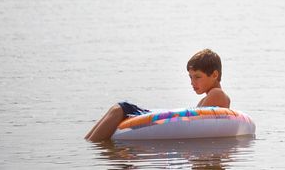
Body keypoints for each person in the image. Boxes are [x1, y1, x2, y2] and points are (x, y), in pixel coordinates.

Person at [84, 48, 231, 142]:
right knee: (118, 110)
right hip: (152, 116)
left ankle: (88, 147)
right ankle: (89, 145)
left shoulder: (217, 94)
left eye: (197, 77)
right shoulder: (213, 95)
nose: (192, 82)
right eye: (190, 77)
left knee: (119, 109)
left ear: (214, 74)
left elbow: (195, 122)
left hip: (150, 117)